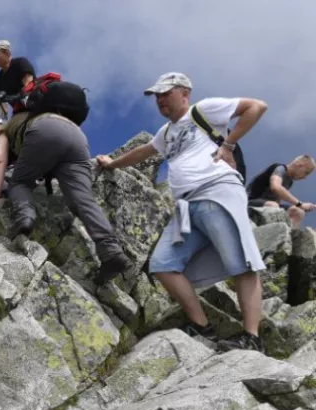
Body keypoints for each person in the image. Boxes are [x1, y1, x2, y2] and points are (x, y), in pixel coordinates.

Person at [96, 72, 269, 352]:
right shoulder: (165, 133)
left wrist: (228, 145)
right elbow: (143, 152)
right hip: (186, 207)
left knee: (243, 264)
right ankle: (202, 327)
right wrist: (112, 164)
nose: (160, 100)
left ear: (184, 92)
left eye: (165, 93)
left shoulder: (203, 110)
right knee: (163, 265)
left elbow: (256, 106)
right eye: (157, 96)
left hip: (215, 189)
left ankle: (252, 338)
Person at [0, 109, 132, 285]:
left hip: (45, 131)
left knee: (19, 182)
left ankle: (25, 218)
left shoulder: (5, 129)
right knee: (82, 199)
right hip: (78, 138)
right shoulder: (31, 116)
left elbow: (0, 161)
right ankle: (112, 251)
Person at [246, 155, 316, 229]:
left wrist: (301, 207)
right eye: (306, 173)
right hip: (249, 203)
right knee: (273, 206)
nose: (305, 177)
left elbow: (277, 201)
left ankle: (289, 237)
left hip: (269, 206)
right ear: (300, 165)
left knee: (298, 212)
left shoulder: (289, 181)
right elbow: (275, 187)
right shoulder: (280, 169)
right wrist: (300, 204)